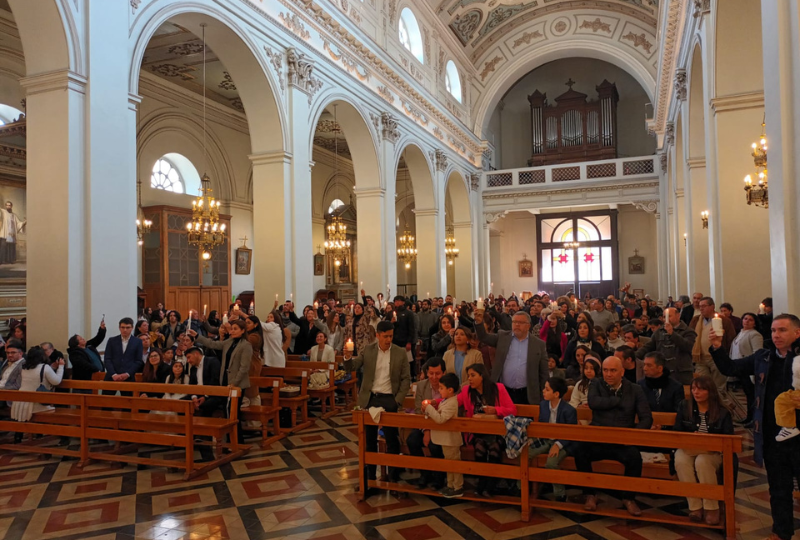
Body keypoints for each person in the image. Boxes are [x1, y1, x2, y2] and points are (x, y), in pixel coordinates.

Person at [708, 314, 800, 540]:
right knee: (778, 488)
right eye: (774, 330)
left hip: (798, 435)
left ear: (797, 333)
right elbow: (730, 368)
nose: (776, 335)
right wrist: (718, 347)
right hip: (772, 435)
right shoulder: (764, 357)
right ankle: (781, 533)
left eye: (782, 330)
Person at [574, 356, 652, 516]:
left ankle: (628, 498)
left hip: (622, 440)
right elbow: (594, 402)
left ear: (622, 372)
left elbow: (646, 418)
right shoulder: (596, 384)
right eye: (605, 370)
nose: (608, 374)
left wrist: (633, 435)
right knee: (580, 450)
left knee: (635, 458)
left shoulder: (635, 389)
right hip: (599, 438)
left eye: (613, 370)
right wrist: (617, 401)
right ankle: (590, 494)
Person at [343, 321, 411, 489]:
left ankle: (393, 478)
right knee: (369, 440)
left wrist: (397, 400)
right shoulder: (369, 350)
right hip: (371, 398)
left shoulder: (400, 352)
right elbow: (352, 366)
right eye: (385, 336)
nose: (389, 340)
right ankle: (370, 480)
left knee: (392, 439)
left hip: (389, 399)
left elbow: (406, 379)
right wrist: (347, 357)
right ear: (378, 335)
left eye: (391, 336)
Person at [673, 376, 734, 526]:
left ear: (710, 391)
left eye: (701, 389)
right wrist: (692, 437)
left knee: (702, 462)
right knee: (680, 459)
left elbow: (728, 439)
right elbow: (677, 431)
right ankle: (695, 506)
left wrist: (707, 439)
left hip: (712, 451)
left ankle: (711, 507)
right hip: (689, 448)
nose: (696, 392)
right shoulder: (684, 406)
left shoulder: (722, 412)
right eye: (693, 389)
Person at [457, 363, 517, 497]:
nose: (469, 379)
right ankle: (482, 482)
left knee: (494, 447)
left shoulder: (498, 388)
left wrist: (495, 410)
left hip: (497, 431)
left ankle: (490, 485)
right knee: (480, 447)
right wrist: (435, 403)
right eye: (468, 376)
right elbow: (453, 402)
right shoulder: (467, 391)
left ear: (482, 376)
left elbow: (512, 410)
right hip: (477, 432)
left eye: (473, 375)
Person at [189, 321, 252, 443]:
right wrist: (197, 336)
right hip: (225, 382)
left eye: (235, 329)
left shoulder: (246, 345)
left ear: (243, 330)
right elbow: (213, 344)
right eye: (231, 329)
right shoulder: (229, 342)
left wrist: (234, 383)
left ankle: (236, 441)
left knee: (232, 413)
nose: (232, 331)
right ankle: (232, 440)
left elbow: (244, 367)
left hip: (236, 385)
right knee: (227, 412)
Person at [473, 308, 548, 405]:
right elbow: (484, 337)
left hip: (527, 393)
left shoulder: (538, 344)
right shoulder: (502, 337)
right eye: (514, 322)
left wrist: (543, 395)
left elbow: (544, 372)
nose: (517, 325)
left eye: (520, 322)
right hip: (503, 390)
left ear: (528, 326)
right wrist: (479, 322)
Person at [529, 377, 577, 502]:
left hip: (563, 442)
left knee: (551, 463)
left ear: (556, 394)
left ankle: (560, 494)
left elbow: (571, 433)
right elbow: (541, 424)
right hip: (546, 439)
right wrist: (534, 438)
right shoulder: (543, 405)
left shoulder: (569, 410)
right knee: (525, 453)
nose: (543, 391)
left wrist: (558, 444)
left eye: (547, 389)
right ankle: (521, 487)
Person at [408, 357, 447, 490]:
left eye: (438, 373)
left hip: (442, 426)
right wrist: (427, 430)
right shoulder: (421, 386)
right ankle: (424, 473)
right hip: (424, 424)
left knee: (434, 445)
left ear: (444, 373)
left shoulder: (449, 386)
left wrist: (432, 430)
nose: (434, 377)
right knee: (412, 440)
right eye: (431, 373)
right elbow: (419, 410)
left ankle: (439, 477)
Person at [423, 372, 463, 498]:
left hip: (451, 439)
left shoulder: (452, 403)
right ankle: (450, 485)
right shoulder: (446, 401)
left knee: (454, 463)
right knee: (448, 463)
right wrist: (428, 411)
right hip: (446, 440)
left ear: (450, 390)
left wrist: (429, 408)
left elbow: (441, 419)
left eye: (441, 388)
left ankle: (458, 486)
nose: (439, 390)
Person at [690, 297, 736, 403]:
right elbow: (690, 336)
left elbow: (730, 338)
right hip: (700, 357)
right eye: (700, 306)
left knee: (718, 385)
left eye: (704, 306)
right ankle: (706, 407)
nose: (701, 309)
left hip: (717, 358)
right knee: (702, 385)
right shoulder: (696, 320)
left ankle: (720, 406)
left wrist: (725, 355)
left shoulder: (724, 320)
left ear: (712, 306)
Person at [635, 307, 696, 385]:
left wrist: (672, 334)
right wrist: (634, 356)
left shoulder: (688, 331)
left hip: (681, 372)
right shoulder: (659, 332)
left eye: (669, 316)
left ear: (678, 316)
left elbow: (687, 346)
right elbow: (648, 347)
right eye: (664, 317)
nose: (666, 319)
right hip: (664, 372)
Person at [10, 347, 64, 433]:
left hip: (21, 403)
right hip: (37, 405)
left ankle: (21, 436)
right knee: (59, 412)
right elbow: (56, 381)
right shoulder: (45, 367)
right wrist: (61, 367)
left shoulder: (24, 367)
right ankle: (60, 434)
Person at [730, 312, 763, 425]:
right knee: (748, 394)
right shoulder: (741, 332)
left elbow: (757, 353)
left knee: (752, 395)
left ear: (755, 323)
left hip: (749, 369)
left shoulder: (755, 335)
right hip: (741, 368)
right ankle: (749, 417)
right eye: (745, 318)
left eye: (750, 320)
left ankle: (753, 418)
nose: (747, 321)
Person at [638, 352, 684, 421]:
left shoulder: (676, 387)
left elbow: (679, 413)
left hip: (669, 425)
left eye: (649, 365)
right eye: (644, 365)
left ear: (660, 368)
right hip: (646, 424)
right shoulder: (640, 385)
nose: (645, 368)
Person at [104, 318, 143, 386]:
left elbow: (138, 361)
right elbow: (107, 359)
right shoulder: (112, 341)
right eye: (123, 327)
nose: (125, 330)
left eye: (127, 327)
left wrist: (127, 374)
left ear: (132, 328)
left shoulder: (137, 342)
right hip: (112, 376)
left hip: (128, 376)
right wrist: (113, 374)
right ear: (119, 328)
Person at [244, 315, 265, 405]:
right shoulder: (248, 334)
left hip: (253, 365)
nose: (246, 325)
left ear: (255, 324)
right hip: (248, 364)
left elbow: (244, 343)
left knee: (252, 391)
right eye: (245, 323)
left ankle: (256, 409)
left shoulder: (255, 336)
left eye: (248, 323)